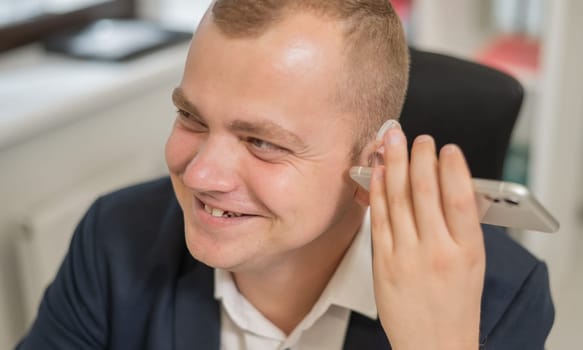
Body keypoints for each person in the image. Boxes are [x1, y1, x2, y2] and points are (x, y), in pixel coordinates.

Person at [16, 0, 554, 349]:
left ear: (376, 166)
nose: (201, 173)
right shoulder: (115, 237)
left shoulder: (497, 297)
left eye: (261, 142)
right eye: (191, 118)